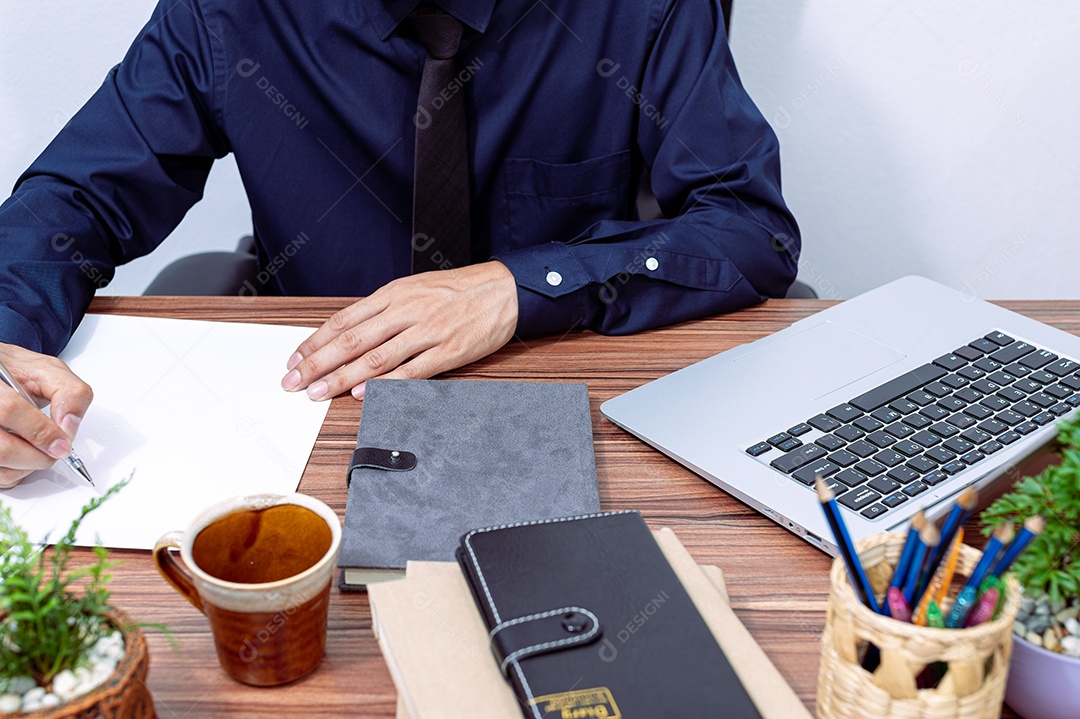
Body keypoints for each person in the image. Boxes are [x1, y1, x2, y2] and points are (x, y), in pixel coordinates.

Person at [0, 0, 800, 488]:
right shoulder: (228, 11)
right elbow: (74, 198)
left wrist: (522, 287)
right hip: (310, 412)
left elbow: (749, 225)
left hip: (565, 398)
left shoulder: (644, 8)